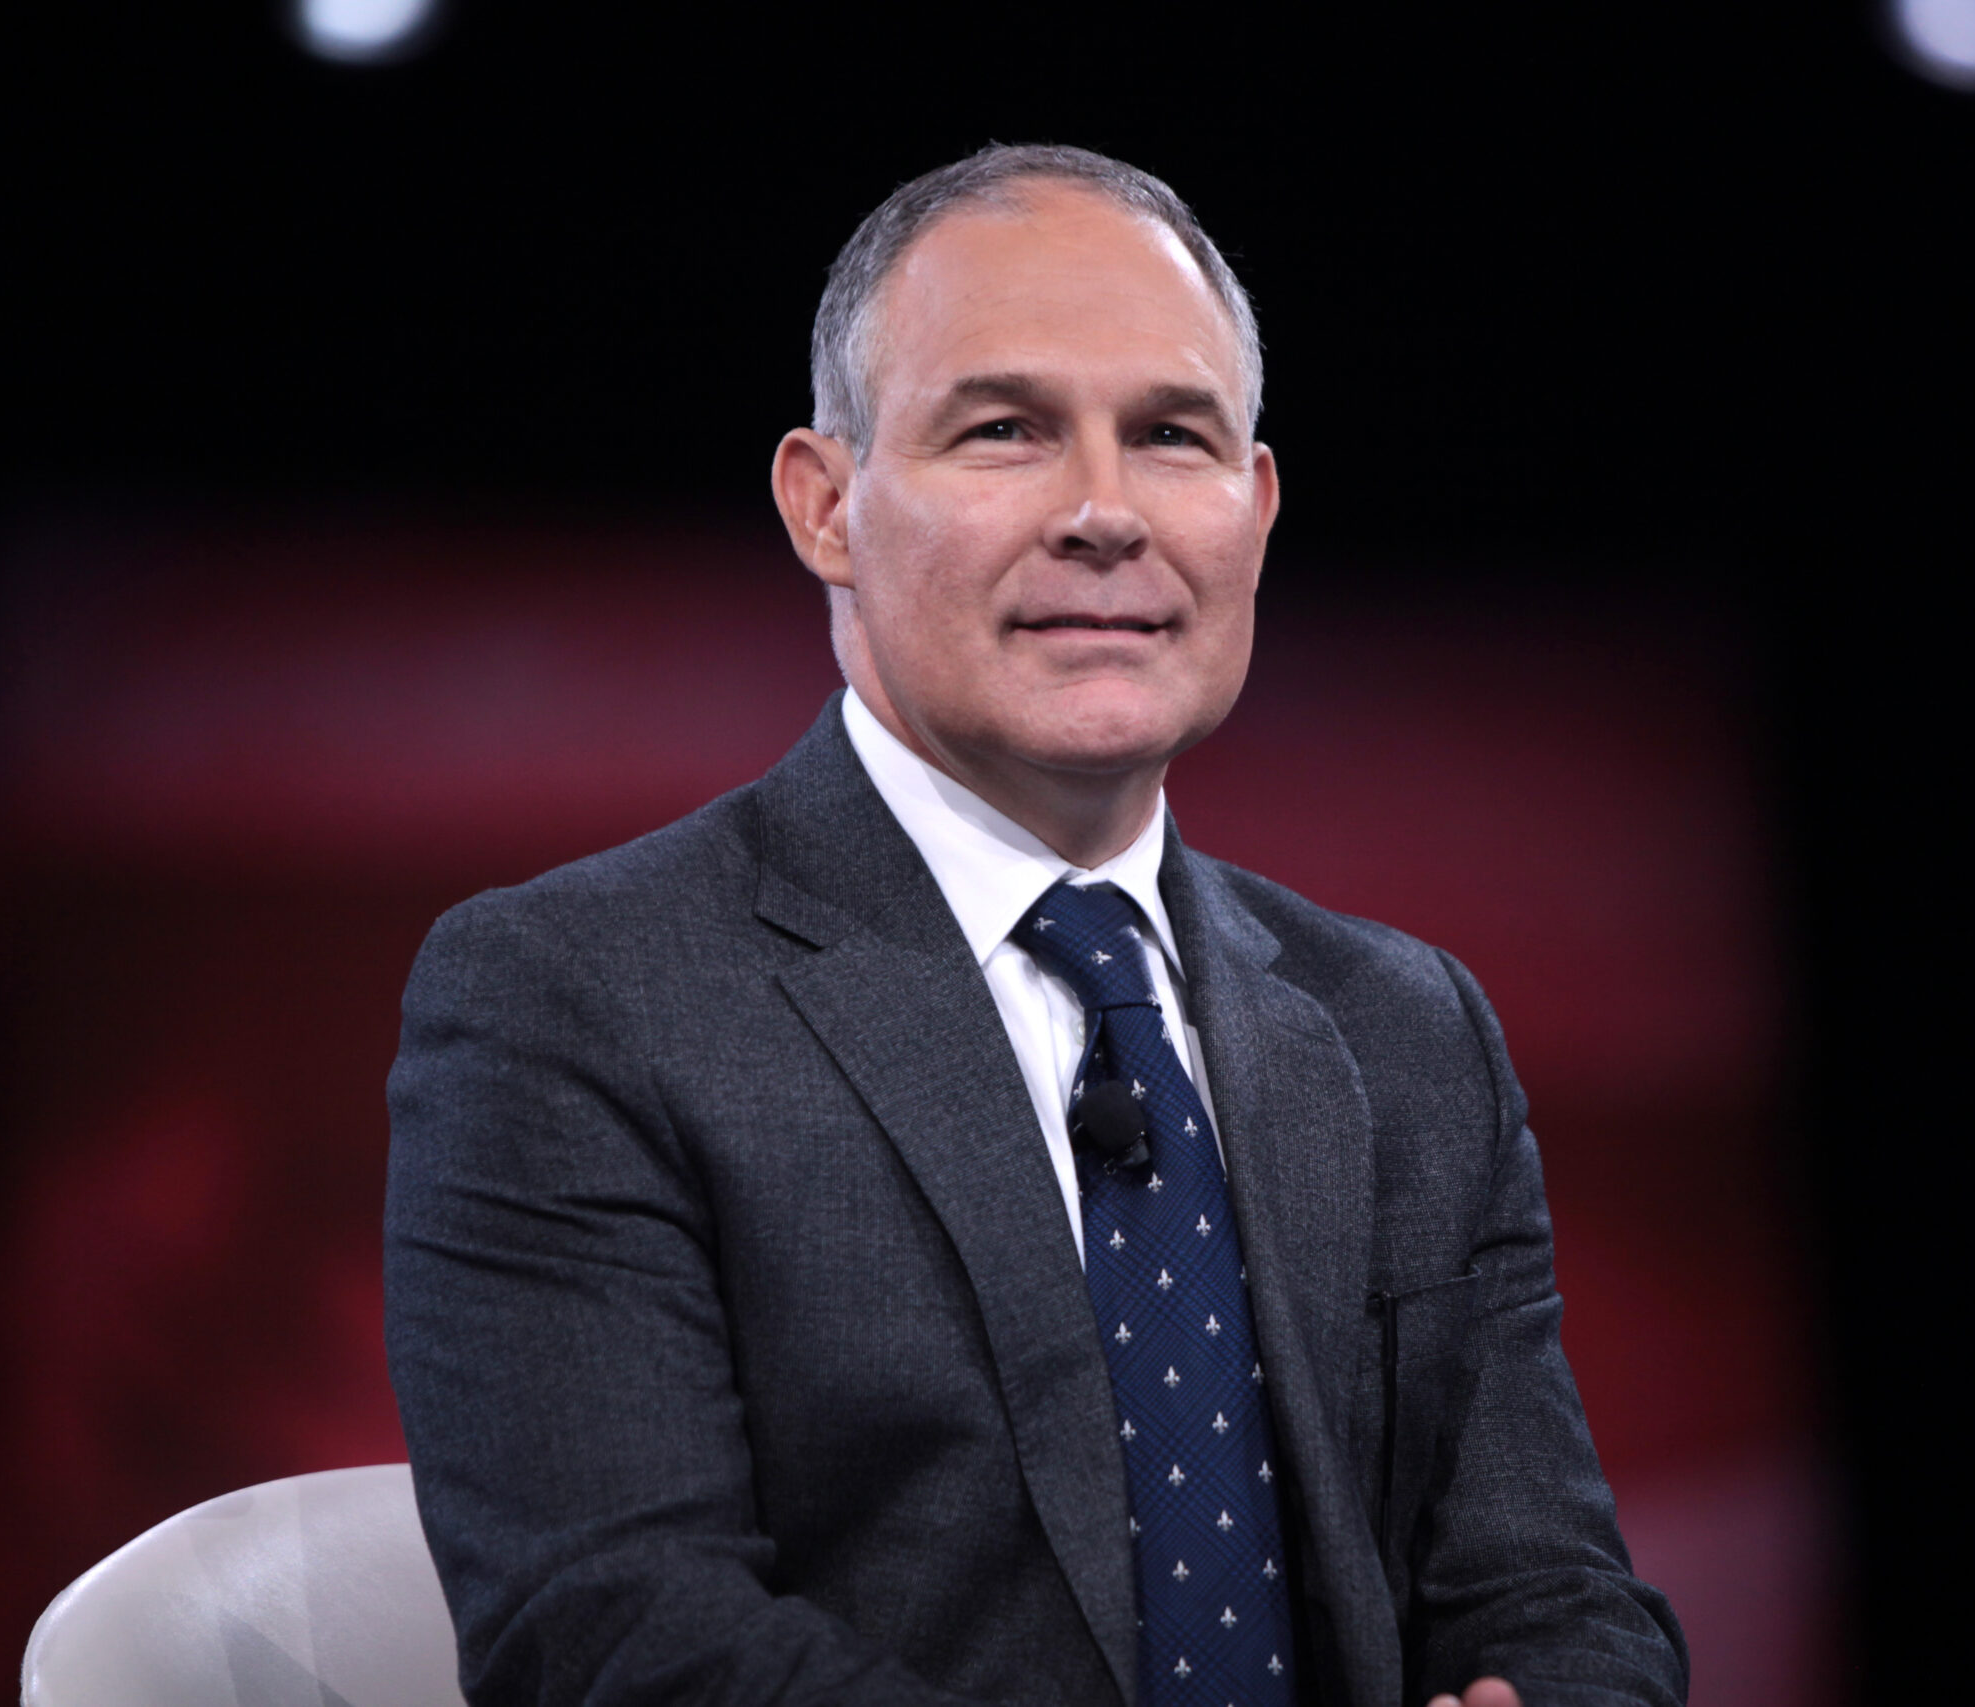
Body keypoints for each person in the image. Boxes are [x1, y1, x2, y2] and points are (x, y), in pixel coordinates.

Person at [384, 144, 1686, 1707]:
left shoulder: (1408, 1029)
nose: (1104, 514)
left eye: (1172, 437)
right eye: (1004, 429)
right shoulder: (577, 998)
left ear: (1256, 511)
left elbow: (1560, 1601)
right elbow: (616, 1636)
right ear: (826, 506)